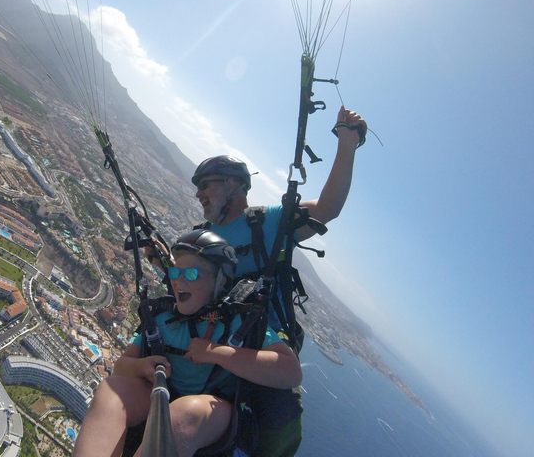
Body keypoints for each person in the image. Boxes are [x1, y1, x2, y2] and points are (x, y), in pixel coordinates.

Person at [147, 105, 367, 456]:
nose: (199, 194)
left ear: (233, 185)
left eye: (206, 185)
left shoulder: (266, 222)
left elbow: (328, 207)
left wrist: (347, 143)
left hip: (257, 336)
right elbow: (188, 284)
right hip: (203, 333)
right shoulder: (199, 234)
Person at [73, 230, 302, 457]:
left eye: (191, 274)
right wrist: (142, 367)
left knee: (184, 413)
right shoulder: (164, 318)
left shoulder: (239, 322)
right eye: (174, 272)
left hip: (214, 409)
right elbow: (122, 367)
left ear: (220, 280)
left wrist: (216, 352)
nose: (178, 280)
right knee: (111, 392)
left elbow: (290, 371)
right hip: (163, 393)